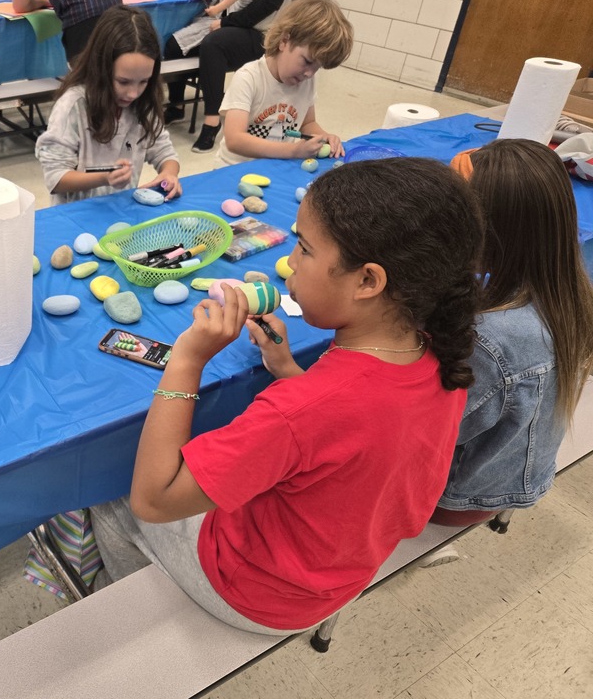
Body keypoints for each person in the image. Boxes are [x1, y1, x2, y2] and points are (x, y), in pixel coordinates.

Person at [90, 157, 482, 635]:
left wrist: (187, 361)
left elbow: (154, 500)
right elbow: (352, 435)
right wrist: (288, 370)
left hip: (259, 593)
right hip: (344, 569)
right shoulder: (439, 348)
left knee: (105, 493)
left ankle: (129, 622)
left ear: (367, 281)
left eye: (304, 248)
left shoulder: (299, 412)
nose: (291, 262)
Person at [433, 139, 593, 527]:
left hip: (457, 497)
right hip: (510, 474)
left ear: (491, 231)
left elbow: (421, 435)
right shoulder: (566, 289)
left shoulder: (490, 342)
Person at [164, 0, 299, 153]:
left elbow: (271, 0)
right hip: (233, 21)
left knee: (214, 44)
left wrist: (227, 22)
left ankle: (212, 120)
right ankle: (177, 107)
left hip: (262, 32)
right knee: (174, 44)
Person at [35, 5, 181, 204]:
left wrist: (169, 173)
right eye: (123, 82)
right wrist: (103, 178)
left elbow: (165, 152)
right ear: (101, 67)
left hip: (121, 213)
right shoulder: (73, 106)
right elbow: (56, 177)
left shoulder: (143, 104)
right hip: (77, 216)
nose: (133, 93)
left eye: (144, 81)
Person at [217, 0, 352, 167]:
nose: (309, 74)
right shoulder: (249, 78)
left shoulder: (307, 81)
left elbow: (308, 123)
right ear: (284, 40)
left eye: (316, 68)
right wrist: (292, 152)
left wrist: (323, 136)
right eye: (307, 61)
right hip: (233, 172)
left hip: (276, 169)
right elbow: (234, 140)